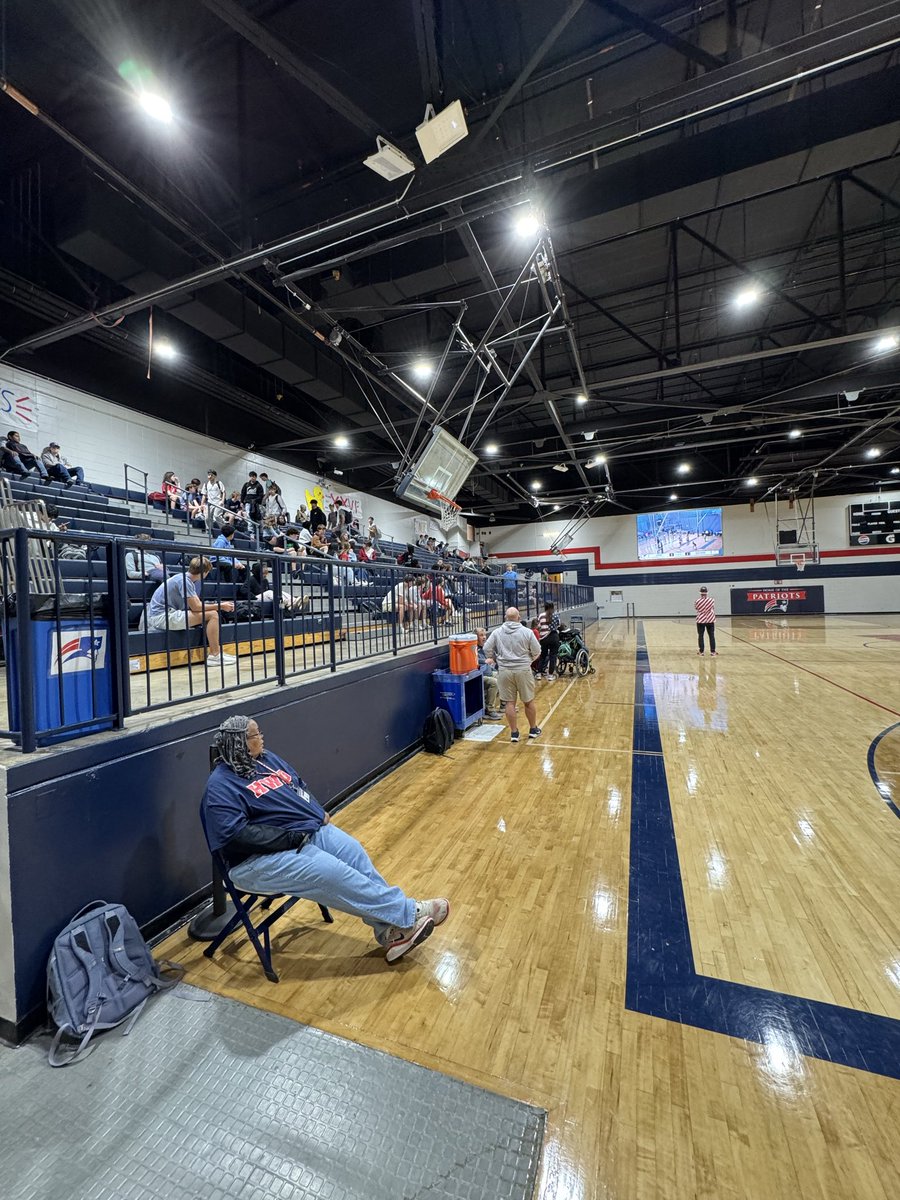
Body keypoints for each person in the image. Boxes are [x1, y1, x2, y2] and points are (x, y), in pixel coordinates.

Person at [202, 716, 448, 962]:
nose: (262, 738)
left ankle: (391, 933)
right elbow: (236, 837)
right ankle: (408, 912)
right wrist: (290, 838)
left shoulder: (267, 759)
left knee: (353, 852)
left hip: (303, 832)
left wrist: (317, 812)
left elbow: (297, 784)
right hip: (256, 861)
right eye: (257, 735)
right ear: (240, 743)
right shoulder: (221, 785)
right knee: (332, 872)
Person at [144, 555, 236, 666]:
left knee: (209, 613)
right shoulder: (184, 581)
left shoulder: (184, 578)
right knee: (213, 615)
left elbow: (196, 606)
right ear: (204, 573)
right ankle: (215, 656)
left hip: (167, 614)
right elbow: (196, 607)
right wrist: (221, 605)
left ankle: (217, 652)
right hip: (162, 617)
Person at [483, 608, 542, 743]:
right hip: (523, 670)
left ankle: (514, 733)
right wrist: (529, 660)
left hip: (504, 671)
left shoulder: (497, 632)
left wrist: (495, 658)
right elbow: (537, 650)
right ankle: (533, 729)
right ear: (519, 617)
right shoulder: (527, 632)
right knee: (528, 701)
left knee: (509, 703)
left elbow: (486, 648)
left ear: (505, 617)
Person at [475, 627, 502, 718]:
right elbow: (474, 661)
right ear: (475, 637)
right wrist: (485, 661)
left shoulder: (484, 647)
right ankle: (489, 709)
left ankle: (503, 704)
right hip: (478, 675)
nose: (484, 637)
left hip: (488, 672)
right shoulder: (473, 648)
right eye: (481, 635)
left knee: (503, 676)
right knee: (494, 682)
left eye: (485, 635)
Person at [536, 602, 561, 681]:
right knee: (553, 656)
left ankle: (539, 674)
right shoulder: (556, 616)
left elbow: (539, 626)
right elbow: (558, 625)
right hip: (553, 637)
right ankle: (550, 675)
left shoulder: (541, 615)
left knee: (543, 655)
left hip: (544, 638)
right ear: (552, 607)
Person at [695, 585, 717, 656]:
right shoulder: (711, 600)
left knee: (701, 635)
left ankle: (701, 651)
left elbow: (696, 608)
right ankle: (713, 651)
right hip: (710, 619)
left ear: (700, 593)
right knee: (711, 635)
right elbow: (712, 608)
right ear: (707, 592)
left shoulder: (697, 601)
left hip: (701, 620)